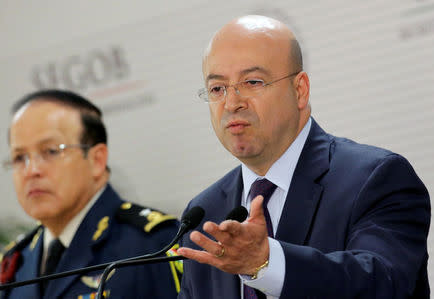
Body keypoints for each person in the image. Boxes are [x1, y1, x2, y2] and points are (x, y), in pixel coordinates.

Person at [177, 15, 430, 299]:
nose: (232, 102)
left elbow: (381, 283)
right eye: (217, 88)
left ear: (300, 90)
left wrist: (268, 263)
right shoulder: (202, 214)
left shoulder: (377, 179)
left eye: (252, 82)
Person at [0, 89, 181, 298]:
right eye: (20, 157)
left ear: (97, 160)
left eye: (51, 151)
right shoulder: (18, 260)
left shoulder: (152, 245)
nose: (31, 171)